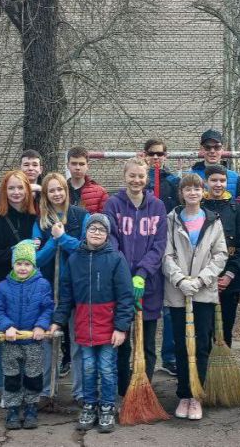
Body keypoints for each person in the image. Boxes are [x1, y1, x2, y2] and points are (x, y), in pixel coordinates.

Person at [51, 214, 134, 434]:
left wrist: (121, 327)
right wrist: (58, 320)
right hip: (83, 325)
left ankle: (107, 406)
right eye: (92, 228)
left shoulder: (116, 259)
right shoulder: (74, 259)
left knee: (107, 368)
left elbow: (126, 297)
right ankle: (90, 405)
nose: (96, 233)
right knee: (88, 368)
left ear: (107, 235)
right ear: (85, 232)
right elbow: (66, 294)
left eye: (101, 230)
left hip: (108, 326)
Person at [162, 174, 228, 420]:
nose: (192, 192)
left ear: (203, 192)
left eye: (197, 188)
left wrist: (201, 280)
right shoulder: (171, 220)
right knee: (181, 345)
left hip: (203, 293)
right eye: (187, 189)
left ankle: (197, 396)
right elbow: (166, 254)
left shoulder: (213, 221)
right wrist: (180, 280)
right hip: (178, 293)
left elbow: (220, 255)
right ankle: (184, 395)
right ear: (182, 193)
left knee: (201, 345)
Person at [102, 157, 167, 394]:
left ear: (146, 178)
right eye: (132, 175)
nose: (136, 180)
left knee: (147, 342)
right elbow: (111, 242)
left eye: (141, 176)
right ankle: (122, 389)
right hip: (120, 285)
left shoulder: (157, 206)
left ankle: (143, 388)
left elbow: (159, 245)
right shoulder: (113, 204)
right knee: (121, 341)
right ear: (125, 177)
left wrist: (141, 273)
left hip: (148, 284)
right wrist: (124, 275)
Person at [33, 172, 89, 399]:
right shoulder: (40, 221)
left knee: (77, 342)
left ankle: (81, 392)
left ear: (67, 192)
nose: (57, 194)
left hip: (76, 288)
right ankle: (47, 390)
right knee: (47, 341)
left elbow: (85, 249)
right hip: (48, 288)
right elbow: (35, 259)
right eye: (52, 190)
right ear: (45, 194)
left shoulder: (81, 215)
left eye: (60, 190)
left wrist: (64, 238)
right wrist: (54, 240)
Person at [0, 170, 38, 394]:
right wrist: (18, 250)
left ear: (28, 190)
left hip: (29, 288)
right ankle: (4, 386)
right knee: (2, 337)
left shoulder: (36, 218)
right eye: (11, 188)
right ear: (4, 191)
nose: (16, 192)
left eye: (20, 187)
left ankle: (28, 385)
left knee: (26, 337)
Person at [0, 241, 55, 430]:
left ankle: (31, 409)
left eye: (27, 264)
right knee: (11, 376)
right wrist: (7, 326)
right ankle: (12, 409)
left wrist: (40, 326)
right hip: (11, 341)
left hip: (33, 342)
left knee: (33, 376)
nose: (22, 268)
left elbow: (47, 308)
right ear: (13, 265)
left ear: (33, 266)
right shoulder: (3, 286)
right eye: (19, 263)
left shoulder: (42, 285)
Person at [201, 165, 240, 346]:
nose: (218, 184)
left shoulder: (235, 209)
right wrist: (205, 277)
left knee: (225, 329)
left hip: (228, 282)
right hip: (202, 281)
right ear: (206, 182)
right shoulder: (199, 207)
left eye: (222, 180)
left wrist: (230, 274)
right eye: (214, 180)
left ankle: (223, 368)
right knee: (203, 329)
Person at [142, 138, 180, 376]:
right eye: (152, 154)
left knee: (168, 306)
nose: (156, 158)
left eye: (160, 154)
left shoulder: (173, 183)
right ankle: (141, 357)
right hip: (143, 251)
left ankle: (169, 356)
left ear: (166, 156)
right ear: (145, 155)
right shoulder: (138, 181)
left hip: (167, 250)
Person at [190, 129, 240, 197]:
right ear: (202, 149)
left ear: (222, 149)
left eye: (217, 147)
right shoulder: (190, 177)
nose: (212, 151)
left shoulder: (235, 178)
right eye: (207, 147)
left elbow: (239, 204)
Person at [66, 147, 109, 213]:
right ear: (68, 165)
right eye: (74, 164)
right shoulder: (60, 190)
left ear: (87, 166)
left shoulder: (100, 192)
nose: (78, 168)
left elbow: (105, 219)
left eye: (82, 164)